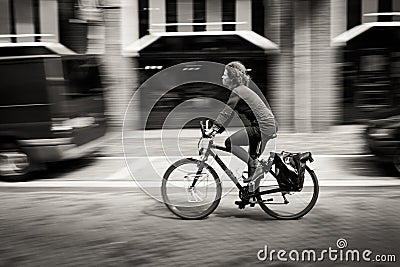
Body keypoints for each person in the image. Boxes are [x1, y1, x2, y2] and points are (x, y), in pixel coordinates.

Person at [206, 61, 278, 183]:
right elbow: (229, 116)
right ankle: (251, 196)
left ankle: (253, 167)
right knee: (253, 161)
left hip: (262, 127)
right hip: (266, 126)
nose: (222, 77)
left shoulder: (239, 91)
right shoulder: (242, 90)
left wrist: (213, 129)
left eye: (225, 74)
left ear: (232, 77)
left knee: (230, 143)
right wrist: (217, 130)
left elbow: (226, 112)